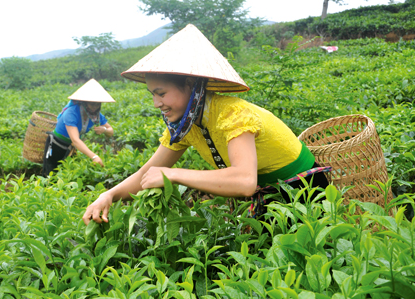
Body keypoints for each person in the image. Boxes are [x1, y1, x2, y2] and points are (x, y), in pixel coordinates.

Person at [82, 24, 330, 225]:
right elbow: (146, 173)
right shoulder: (185, 125)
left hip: (304, 191)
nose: (157, 103)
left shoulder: (232, 114)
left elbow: (244, 182)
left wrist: (174, 174)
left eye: (162, 93)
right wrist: (109, 194)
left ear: (190, 85)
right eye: (152, 95)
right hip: (269, 193)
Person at [42, 78, 115, 177]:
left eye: (97, 104)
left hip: (71, 146)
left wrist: (104, 130)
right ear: (84, 102)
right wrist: (94, 156)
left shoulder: (96, 115)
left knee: (67, 175)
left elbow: (111, 131)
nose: (95, 107)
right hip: (57, 145)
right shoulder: (71, 112)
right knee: (50, 176)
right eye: (92, 104)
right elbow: (75, 140)